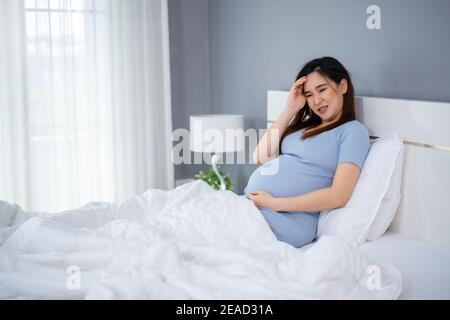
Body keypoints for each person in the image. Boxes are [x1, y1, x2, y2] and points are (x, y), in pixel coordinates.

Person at [244, 56, 370, 248]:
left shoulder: (352, 131)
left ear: (342, 86)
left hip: (287, 220)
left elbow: (339, 195)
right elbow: (260, 156)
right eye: (309, 94)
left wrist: (274, 203)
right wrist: (290, 108)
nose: (316, 100)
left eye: (322, 89)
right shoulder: (303, 127)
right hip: (258, 208)